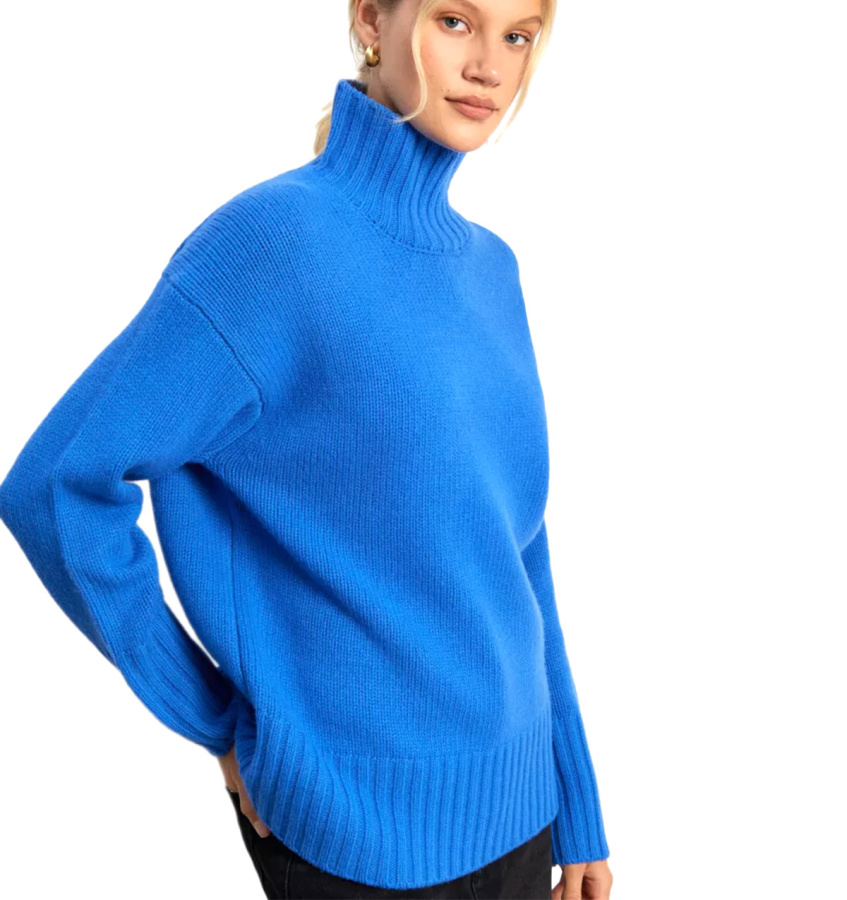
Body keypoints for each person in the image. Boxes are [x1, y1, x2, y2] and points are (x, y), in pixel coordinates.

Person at [0, 0, 613, 897]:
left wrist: (575, 796)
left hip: (520, 808)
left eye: (517, 35)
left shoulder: (492, 268)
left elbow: (517, 551)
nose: (489, 64)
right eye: (455, 20)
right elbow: (57, 485)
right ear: (371, 19)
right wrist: (208, 715)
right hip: (353, 827)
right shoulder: (273, 245)